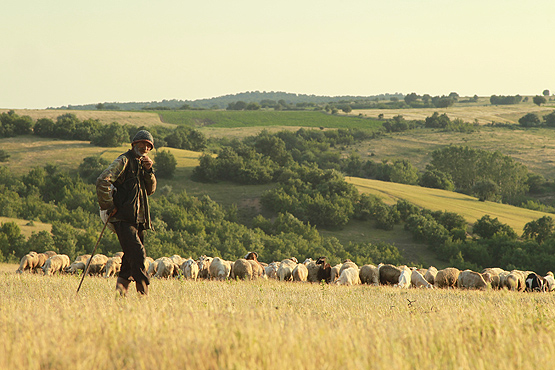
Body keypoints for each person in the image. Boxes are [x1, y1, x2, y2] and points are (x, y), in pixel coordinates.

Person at [96, 130, 157, 296]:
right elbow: (103, 180)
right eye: (142, 143)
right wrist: (109, 205)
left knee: (129, 262)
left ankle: (120, 297)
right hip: (123, 218)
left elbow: (150, 190)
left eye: (148, 145)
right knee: (138, 254)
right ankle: (143, 297)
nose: (145, 147)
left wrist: (148, 171)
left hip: (139, 220)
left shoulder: (143, 164)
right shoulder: (124, 160)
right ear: (134, 144)